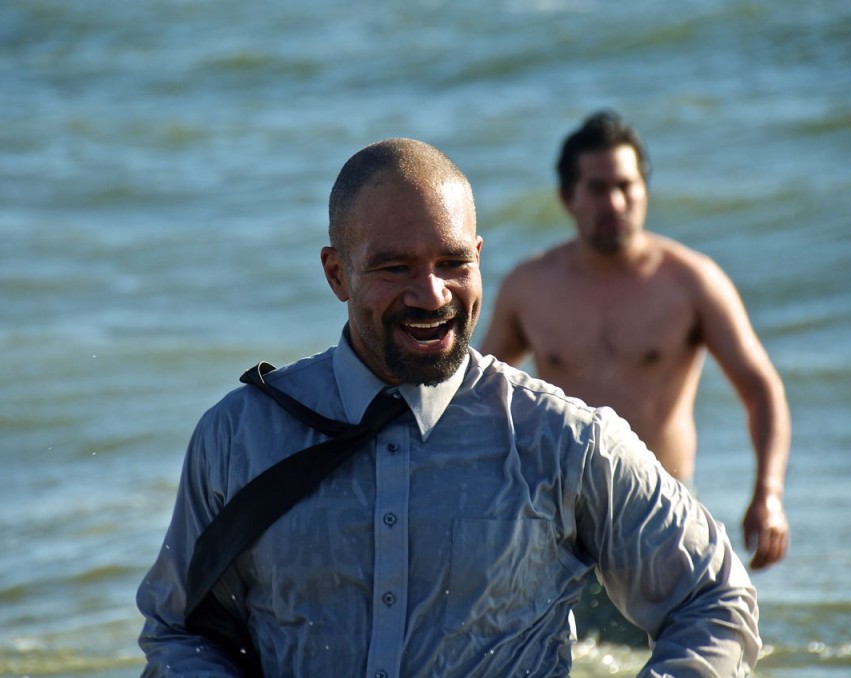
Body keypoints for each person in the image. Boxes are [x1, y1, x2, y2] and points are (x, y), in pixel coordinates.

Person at [136, 137, 761, 676]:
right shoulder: (240, 435)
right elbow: (177, 629)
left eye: (453, 263)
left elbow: (714, 600)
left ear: (480, 259)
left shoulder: (563, 441)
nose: (431, 293)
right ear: (336, 275)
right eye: (395, 267)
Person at [480, 111, 791, 640]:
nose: (615, 203)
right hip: (558, 517)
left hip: (660, 512)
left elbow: (761, 389)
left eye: (627, 186)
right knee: (564, 658)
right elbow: (481, 398)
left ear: (645, 190)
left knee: (679, 652)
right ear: (567, 198)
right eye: (597, 189)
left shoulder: (690, 282)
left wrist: (768, 492)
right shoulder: (530, 287)